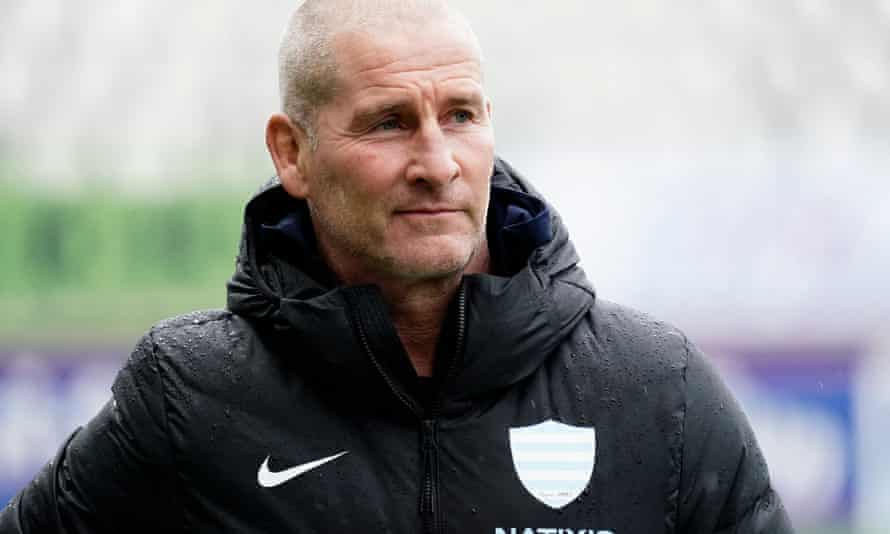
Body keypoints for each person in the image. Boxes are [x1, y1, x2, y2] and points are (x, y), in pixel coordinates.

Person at [0, 1, 793, 533]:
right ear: (292, 153)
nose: (438, 163)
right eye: (389, 123)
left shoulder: (659, 390)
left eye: (461, 115)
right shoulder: (189, 396)